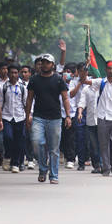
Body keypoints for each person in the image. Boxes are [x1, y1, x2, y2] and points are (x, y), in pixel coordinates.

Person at [26, 53, 72, 184]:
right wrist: (27, 115)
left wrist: (68, 116)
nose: (44, 65)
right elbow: (29, 99)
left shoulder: (58, 79)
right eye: (42, 62)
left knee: (54, 149)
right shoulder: (34, 79)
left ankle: (54, 175)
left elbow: (65, 98)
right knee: (36, 142)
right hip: (38, 117)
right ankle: (42, 168)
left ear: (52, 65)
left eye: (47, 62)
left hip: (55, 118)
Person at [82, 61, 112, 177]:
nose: (111, 71)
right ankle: (106, 167)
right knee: (103, 144)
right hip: (102, 117)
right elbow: (84, 80)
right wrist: (85, 69)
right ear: (106, 69)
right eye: (109, 68)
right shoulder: (100, 82)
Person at [1, 64, 28, 173]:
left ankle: (16, 163)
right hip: (7, 116)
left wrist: (28, 117)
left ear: (18, 74)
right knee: (8, 137)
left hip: (19, 117)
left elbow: (26, 103)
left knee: (19, 141)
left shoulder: (23, 87)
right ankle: (8, 156)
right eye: (11, 73)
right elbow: (0, 103)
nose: (13, 75)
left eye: (16, 73)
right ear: (8, 73)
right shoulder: (4, 87)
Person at [77, 65, 101, 173]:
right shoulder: (86, 90)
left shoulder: (103, 86)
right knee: (93, 144)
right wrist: (80, 113)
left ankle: (104, 164)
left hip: (102, 120)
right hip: (91, 120)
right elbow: (82, 102)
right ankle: (97, 166)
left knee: (103, 143)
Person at [60, 64, 78, 169]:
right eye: (66, 71)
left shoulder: (76, 83)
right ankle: (62, 153)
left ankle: (70, 158)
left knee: (71, 137)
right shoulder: (58, 82)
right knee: (61, 136)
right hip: (59, 113)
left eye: (70, 71)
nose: (68, 73)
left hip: (72, 113)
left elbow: (72, 96)